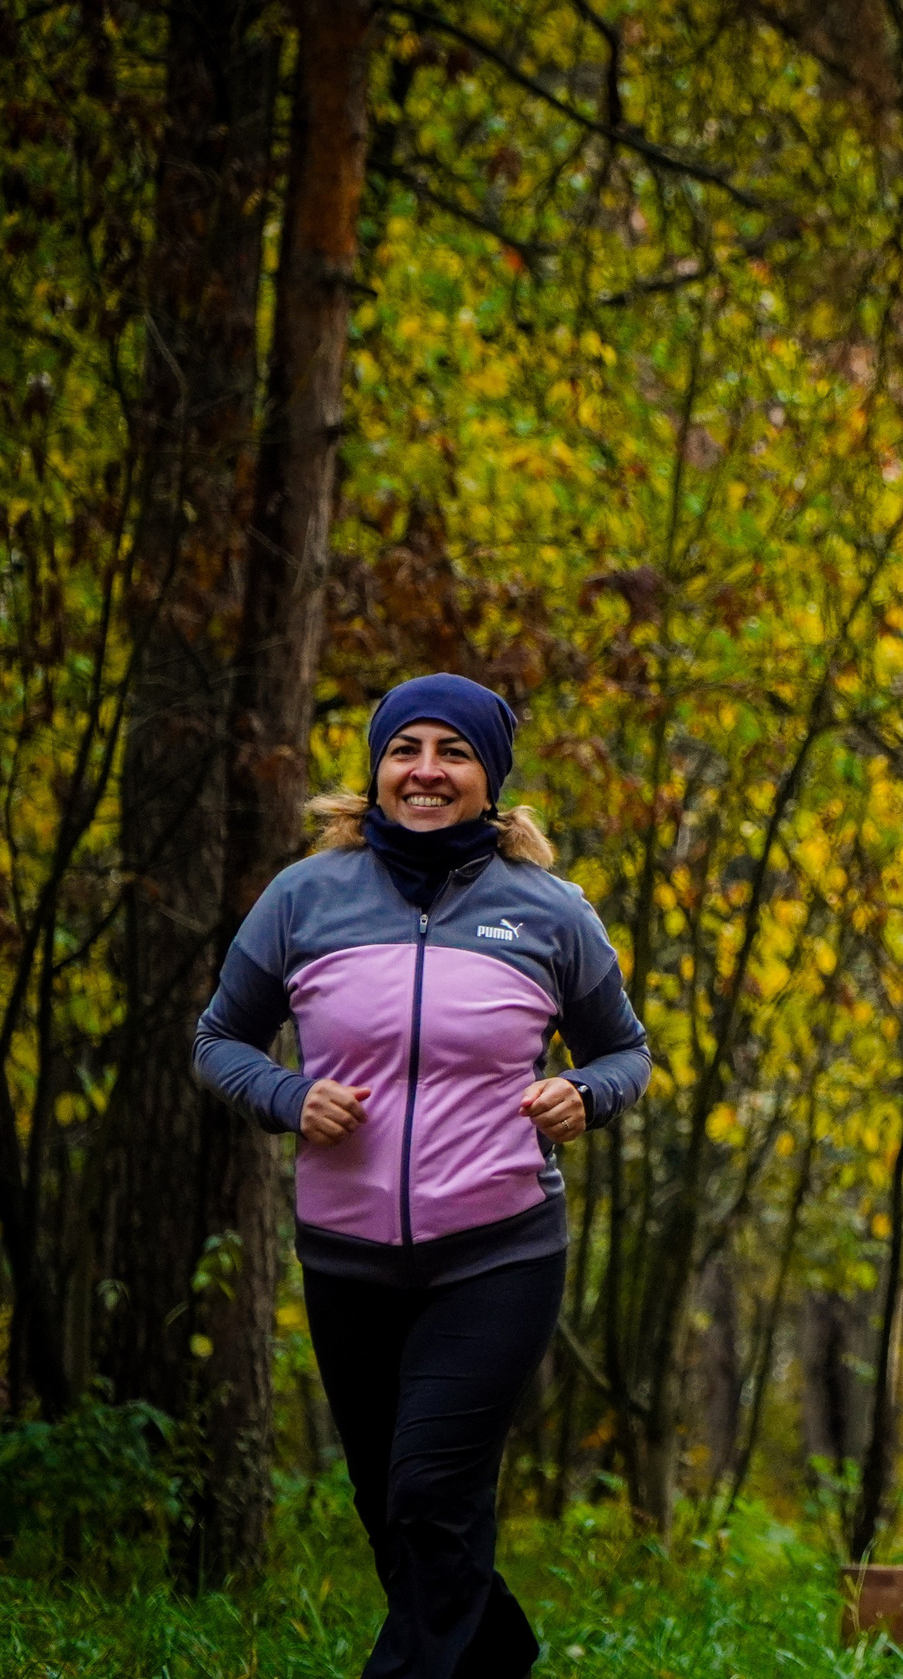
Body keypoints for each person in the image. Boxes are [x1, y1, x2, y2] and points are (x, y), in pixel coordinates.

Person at [196, 674, 651, 1679]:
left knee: (428, 1494)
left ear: (490, 777)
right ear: (378, 768)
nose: (426, 771)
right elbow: (220, 1037)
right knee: (389, 1510)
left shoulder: (548, 912)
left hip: (498, 1249)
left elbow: (625, 1052)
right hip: (347, 1252)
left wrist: (585, 1096)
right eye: (406, 750)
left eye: (453, 751)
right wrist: (286, 1096)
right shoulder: (304, 897)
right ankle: (499, 1655)